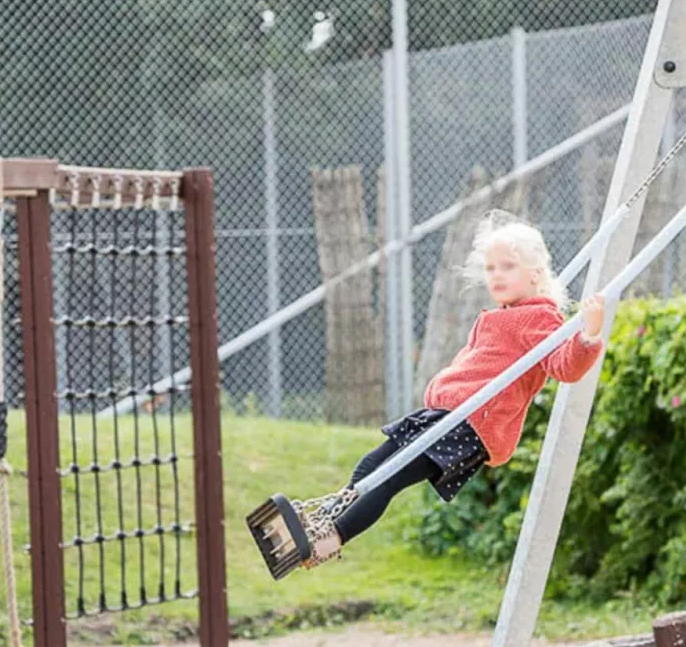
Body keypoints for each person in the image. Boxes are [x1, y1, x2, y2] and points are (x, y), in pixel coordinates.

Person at [246, 213, 607, 579]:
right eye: (491, 268)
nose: (496, 275)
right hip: (448, 416)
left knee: (388, 477)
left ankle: (328, 541)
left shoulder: (539, 318)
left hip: (469, 424)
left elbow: (565, 366)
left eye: (508, 267)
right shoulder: (505, 314)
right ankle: (326, 521)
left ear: (535, 274)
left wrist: (588, 336)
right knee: (374, 464)